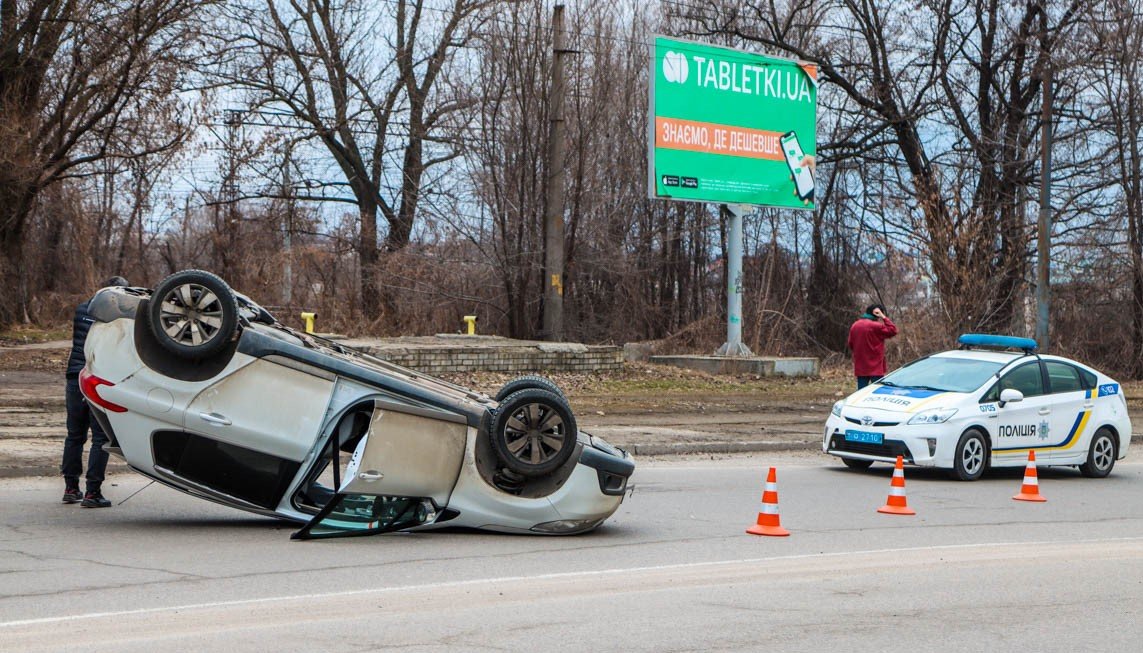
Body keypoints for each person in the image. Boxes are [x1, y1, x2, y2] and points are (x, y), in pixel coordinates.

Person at [61, 276, 129, 507]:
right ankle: (92, 493)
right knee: (100, 438)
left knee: (74, 436)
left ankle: (70, 488)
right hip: (96, 380)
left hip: (74, 378)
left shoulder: (82, 309)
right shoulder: (117, 317)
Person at [847, 304, 898, 390]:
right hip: (876, 366)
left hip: (861, 365)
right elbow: (893, 330)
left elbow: (850, 343)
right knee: (877, 392)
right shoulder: (876, 326)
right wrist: (884, 317)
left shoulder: (855, 325)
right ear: (877, 313)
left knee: (861, 393)